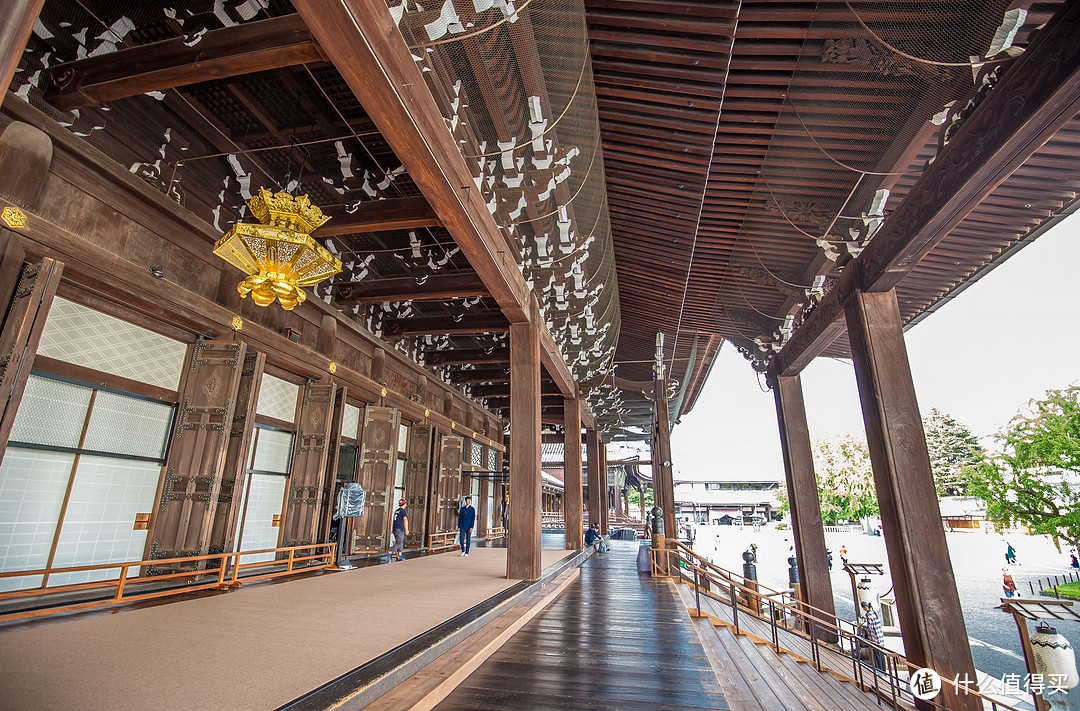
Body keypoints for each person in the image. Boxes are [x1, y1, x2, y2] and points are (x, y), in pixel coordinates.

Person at [860, 601, 887, 672]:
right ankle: (883, 670)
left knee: (877, 655)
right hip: (879, 638)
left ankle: (879, 670)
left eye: (863, 608)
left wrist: (864, 626)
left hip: (874, 638)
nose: (864, 610)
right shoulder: (874, 613)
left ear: (865, 607)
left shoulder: (869, 615)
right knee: (881, 655)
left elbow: (870, 627)